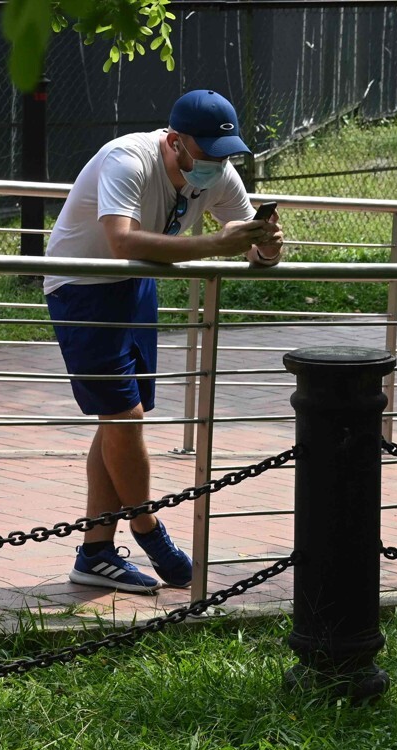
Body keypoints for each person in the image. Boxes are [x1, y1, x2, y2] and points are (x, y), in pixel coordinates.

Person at [43, 89, 284, 593]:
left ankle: (95, 552)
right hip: (82, 285)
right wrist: (217, 245)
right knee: (123, 418)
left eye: (227, 155)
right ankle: (148, 529)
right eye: (208, 155)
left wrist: (265, 248)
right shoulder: (126, 159)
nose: (217, 167)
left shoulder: (217, 171)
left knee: (120, 420)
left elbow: (247, 243)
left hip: (137, 285)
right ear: (175, 142)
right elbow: (121, 240)